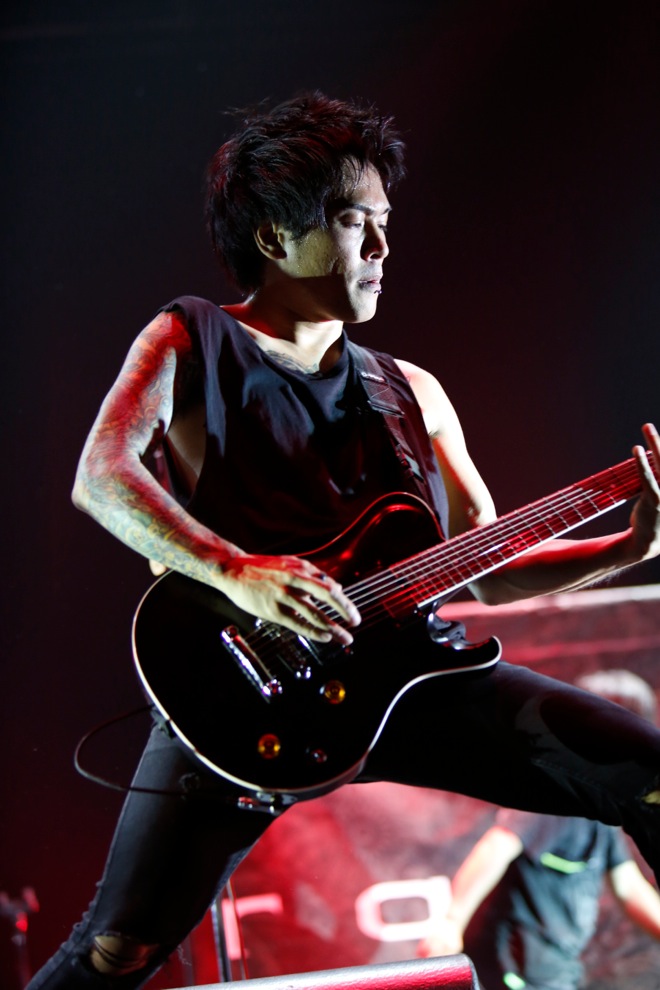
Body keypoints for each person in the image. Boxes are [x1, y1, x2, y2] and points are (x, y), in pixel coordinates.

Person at [27, 91, 660, 989]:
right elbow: (102, 475)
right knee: (118, 947)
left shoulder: (412, 391)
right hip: (242, 689)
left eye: (385, 223)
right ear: (274, 237)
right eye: (356, 222)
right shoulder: (192, 337)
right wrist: (238, 572)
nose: (382, 248)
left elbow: (486, 563)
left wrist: (623, 549)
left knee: (649, 774)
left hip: (414, 682)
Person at [417, 670, 660, 988]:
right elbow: (497, 846)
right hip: (514, 969)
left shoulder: (601, 814)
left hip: (554, 972)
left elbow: (628, 886)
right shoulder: (555, 802)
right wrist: (451, 921)